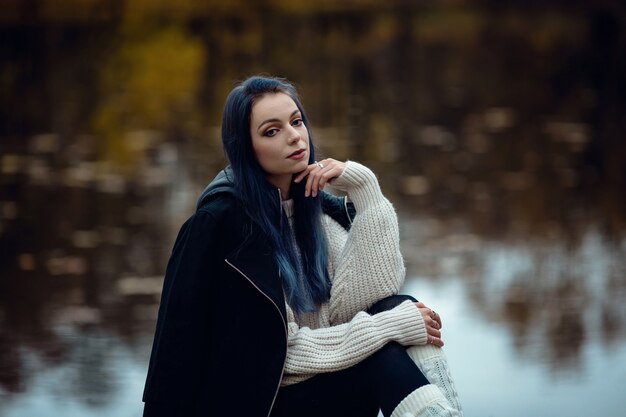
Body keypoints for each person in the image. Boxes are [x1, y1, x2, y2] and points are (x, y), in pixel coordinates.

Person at [142, 75, 463, 417]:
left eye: (296, 122)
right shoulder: (229, 231)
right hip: (268, 403)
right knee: (388, 338)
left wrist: (365, 188)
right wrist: (391, 326)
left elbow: (372, 299)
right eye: (271, 130)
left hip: (324, 389)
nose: (294, 136)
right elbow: (282, 355)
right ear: (246, 149)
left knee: (402, 306)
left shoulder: (318, 212)